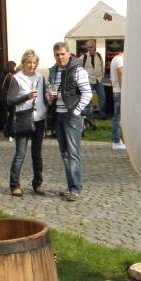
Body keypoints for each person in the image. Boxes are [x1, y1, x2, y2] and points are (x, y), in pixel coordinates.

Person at [49, 42, 92, 202]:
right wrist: (50, 95)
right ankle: (70, 187)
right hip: (58, 114)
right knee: (65, 153)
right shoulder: (53, 71)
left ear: (69, 54)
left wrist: (75, 111)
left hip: (72, 116)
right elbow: (51, 90)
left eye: (62, 54)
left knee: (73, 153)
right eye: (56, 54)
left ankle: (76, 189)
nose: (60, 57)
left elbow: (87, 94)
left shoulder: (78, 70)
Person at [8, 50, 48, 197]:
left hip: (39, 119)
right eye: (29, 62)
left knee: (37, 154)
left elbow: (44, 97)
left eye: (34, 63)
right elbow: (10, 100)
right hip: (24, 118)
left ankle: (37, 183)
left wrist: (50, 98)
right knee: (20, 154)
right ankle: (14, 185)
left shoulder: (40, 78)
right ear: (23, 63)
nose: (32, 65)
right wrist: (26, 97)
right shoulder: (17, 79)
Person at [81, 40, 106, 119]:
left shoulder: (99, 55)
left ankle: (102, 115)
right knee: (88, 99)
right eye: (88, 47)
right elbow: (77, 65)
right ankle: (90, 116)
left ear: (95, 47)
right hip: (89, 81)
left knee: (102, 98)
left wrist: (102, 75)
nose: (89, 49)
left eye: (91, 47)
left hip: (99, 80)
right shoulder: (84, 57)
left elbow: (102, 66)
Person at [110, 50, 125, 150]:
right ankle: (116, 141)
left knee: (118, 116)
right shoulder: (120, 60)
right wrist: (124, 89)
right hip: (120, 91)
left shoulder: (115, 59)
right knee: (118, 117)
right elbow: (121, 73)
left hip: (116, 90)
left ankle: (118, 140)